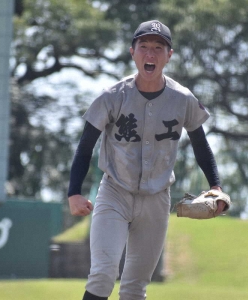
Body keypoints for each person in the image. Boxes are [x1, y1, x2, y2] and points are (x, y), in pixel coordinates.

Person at [68, 20, 227, 300]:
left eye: (158, 47)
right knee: (103, 274)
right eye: (144, 47)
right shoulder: (112, 96)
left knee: (135, 287)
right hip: (114, 192)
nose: (150, 54)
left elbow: (201, 144)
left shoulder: (182, 99)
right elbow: (85, 146)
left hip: (156, 199)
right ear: (132, 52)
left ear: (169, 55)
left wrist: (216, 185)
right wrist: (74, 193)